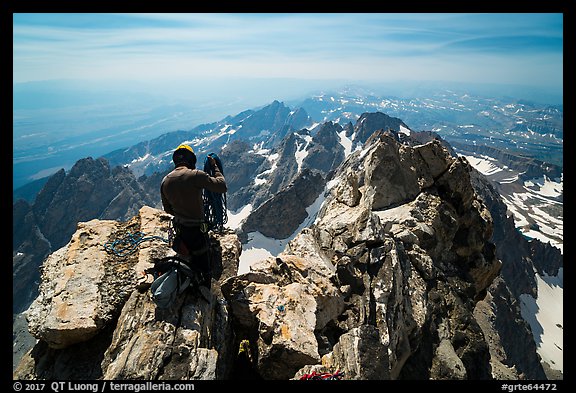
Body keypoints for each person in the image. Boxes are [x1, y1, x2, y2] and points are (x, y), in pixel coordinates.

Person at [160, 144, 227, 286]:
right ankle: (205, 295)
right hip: (198, 232)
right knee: (204, 268)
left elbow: (168, 209)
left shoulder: (165, 181)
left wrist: (183, 210)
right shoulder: (196, 175)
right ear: (191, 160)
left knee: (187, 261)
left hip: (181, 233)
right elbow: (221, 186)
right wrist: (215, 167)